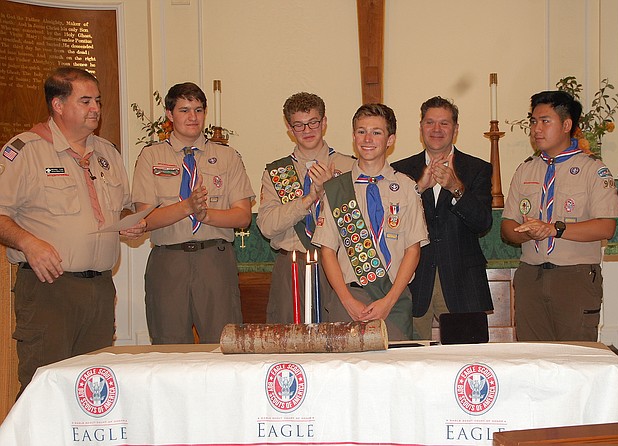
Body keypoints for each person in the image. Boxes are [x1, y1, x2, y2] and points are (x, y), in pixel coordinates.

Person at [0, 67, 146, 395]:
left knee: (93, 389)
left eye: (97, 101)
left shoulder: (108, 153)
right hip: (49, 289)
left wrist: (129, 222)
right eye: (85, 101)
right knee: (45, 388)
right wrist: (29, 242)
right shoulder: (26, 150)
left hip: (99, 290)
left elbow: (119, 208)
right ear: (59, 105)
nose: (95, 108)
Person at [132, 82, 254, 344]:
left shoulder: (227, 156)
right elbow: (144, 220)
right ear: (169, 114)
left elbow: (243, 216)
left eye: (198, 110)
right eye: (184, 110)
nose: (192, 117)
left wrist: (205, 215)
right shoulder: (150, 157)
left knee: (223, 344)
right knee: (169, 344)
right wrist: (186, 207)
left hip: (214, 259)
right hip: (169, 261)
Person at [501, 90, 618, 341]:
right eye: (533, 121)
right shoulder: (525, 170)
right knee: (534, 361)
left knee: (576, 358)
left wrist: (555, 229)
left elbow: (606, 227)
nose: (536, 129)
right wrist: (526, 233)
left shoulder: (593, 170)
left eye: (545, 121)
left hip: (574, 277)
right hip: (531, 276)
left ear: (567, 125)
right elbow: (507, 226)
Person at [311, 103, 429, 340]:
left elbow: (413, 250)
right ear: (354, 136)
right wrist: (347, 300)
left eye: (377, 132)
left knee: (394, 372)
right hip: (349, 297)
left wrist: (389, 301)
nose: (368, 138)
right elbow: (327, 252)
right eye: (361, 131)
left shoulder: (406, 187)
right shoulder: (337, 189)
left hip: (392, 297)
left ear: (390, 139)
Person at [392, 96, 494, 340]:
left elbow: (483, 223)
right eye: (430, 123)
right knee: (411, 361)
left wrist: (456, 187)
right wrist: (419, 188)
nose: (436, 130)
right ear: (421, 128)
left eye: (444, 123)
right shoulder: (400, 171)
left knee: (467, 360)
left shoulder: (477, 169)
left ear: (455, 129)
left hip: (462, 281)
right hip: (414, 280)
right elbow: (392, 224)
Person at [257, 92, 355, 323]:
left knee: (338, 337)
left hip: (337, 265)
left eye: (313, 122)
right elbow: (267, 227)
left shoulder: (349, 166)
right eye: (299, 125)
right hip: (292, 264)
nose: (307, 130)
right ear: (289, 129)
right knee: (288, 340)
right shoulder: (277, 172)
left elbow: (356, 223)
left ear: (324, 122)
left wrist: (331, 191)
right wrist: (309, 198)